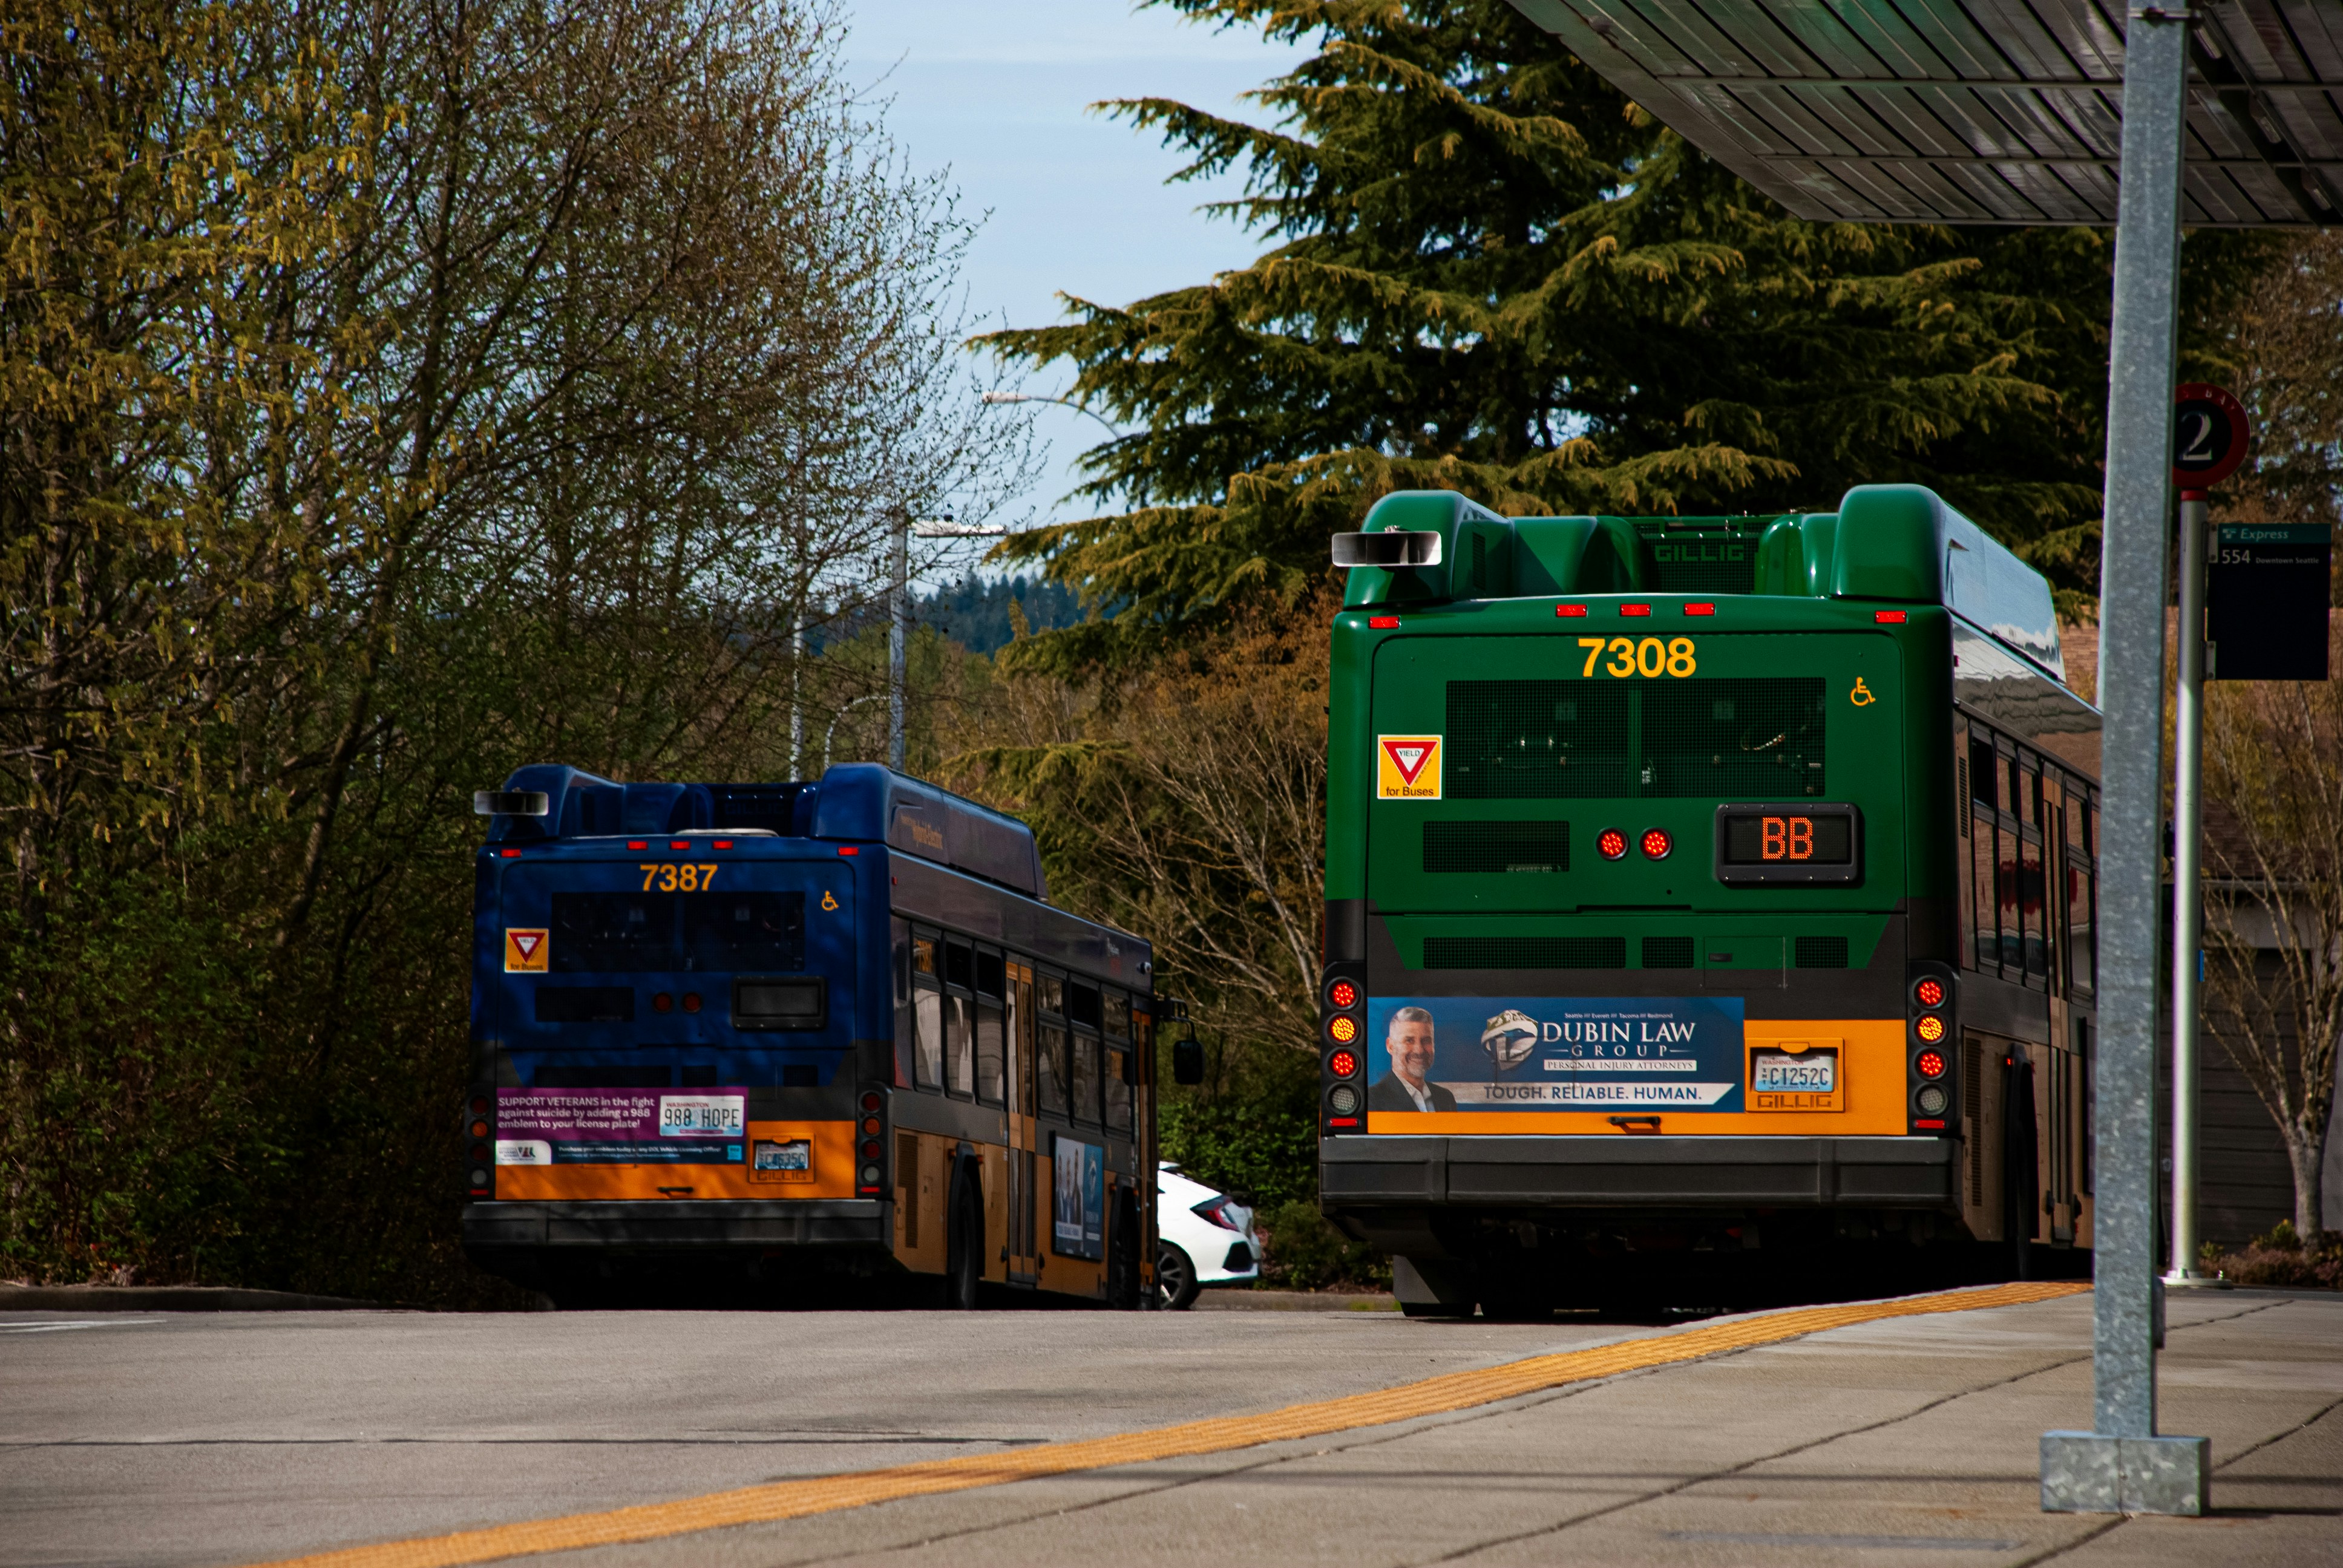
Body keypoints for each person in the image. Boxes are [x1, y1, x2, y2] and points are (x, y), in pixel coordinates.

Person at [1368, 1006, 1456, 1112]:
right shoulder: (1372, 1100)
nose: (1419, 1050)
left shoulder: (1446, 1098)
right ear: (1390, 1046)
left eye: (1426, 1040)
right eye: (1409, 1040)